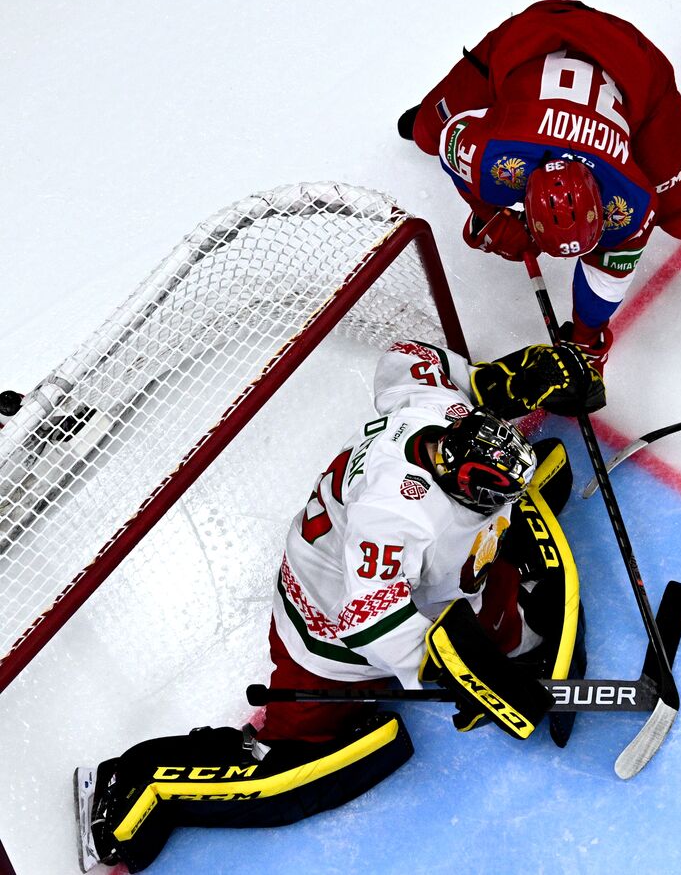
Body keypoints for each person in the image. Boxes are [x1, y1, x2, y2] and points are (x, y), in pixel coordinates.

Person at [75, 339, 603, 873]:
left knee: (488, 602)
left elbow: (406, 357)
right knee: (299, 744)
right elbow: (370, 620)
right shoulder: (395, 513)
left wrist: (499, 382)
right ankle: (136, 780)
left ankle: (507, 627)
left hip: (412, 578)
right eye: (492, 496)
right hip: (327, 633)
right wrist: (452, 673)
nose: (503, 502)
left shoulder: (438, 412)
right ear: (459, 480)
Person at [399, 0, 681, 367]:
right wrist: (489, 214)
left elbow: (604, 278)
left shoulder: (629, 199)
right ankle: (427, 111)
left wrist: (587, 344)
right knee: (425, 130)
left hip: (634, 70)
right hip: (530, 38)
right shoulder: (490, 154)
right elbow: (448, 140)